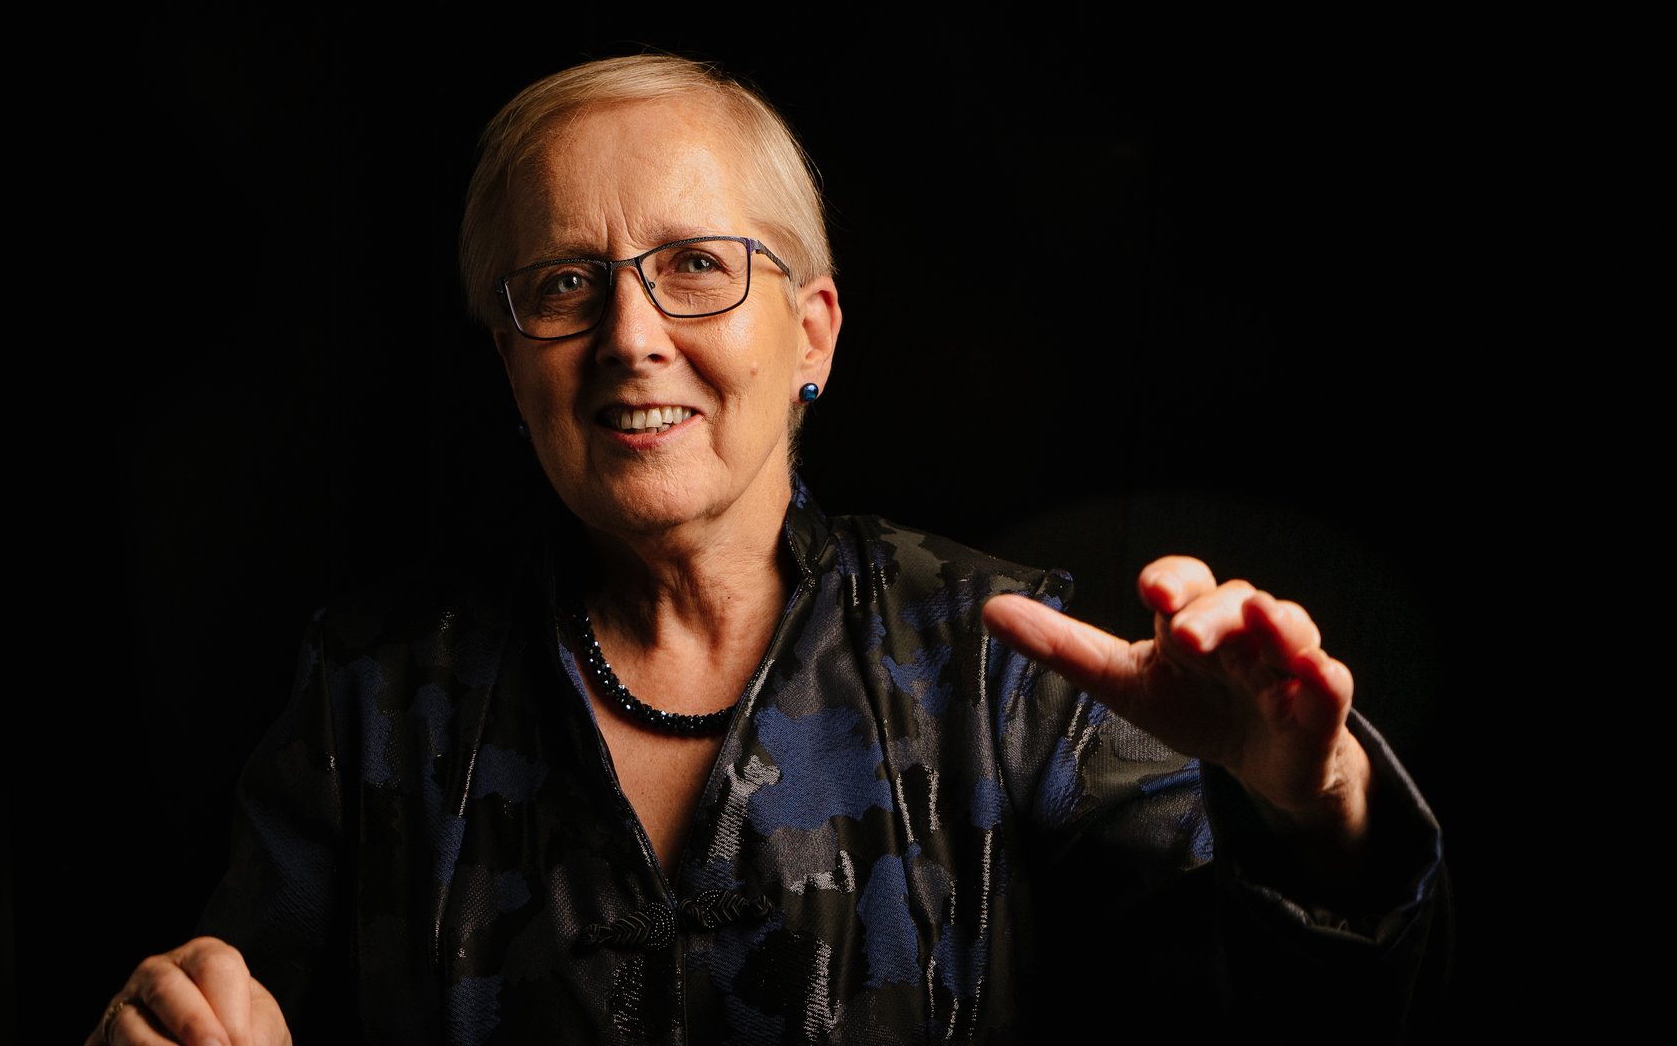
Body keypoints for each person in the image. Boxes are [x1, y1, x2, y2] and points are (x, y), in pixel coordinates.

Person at [86, 54, 1447, 1045]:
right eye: (563, 284)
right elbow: (234, 1003)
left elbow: (1293, 1018)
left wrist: (1315, 808)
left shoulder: (1001, 672)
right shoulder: (373, 696)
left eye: (696, 265)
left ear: (812, 334)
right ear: (510, 366)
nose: (629, 337)